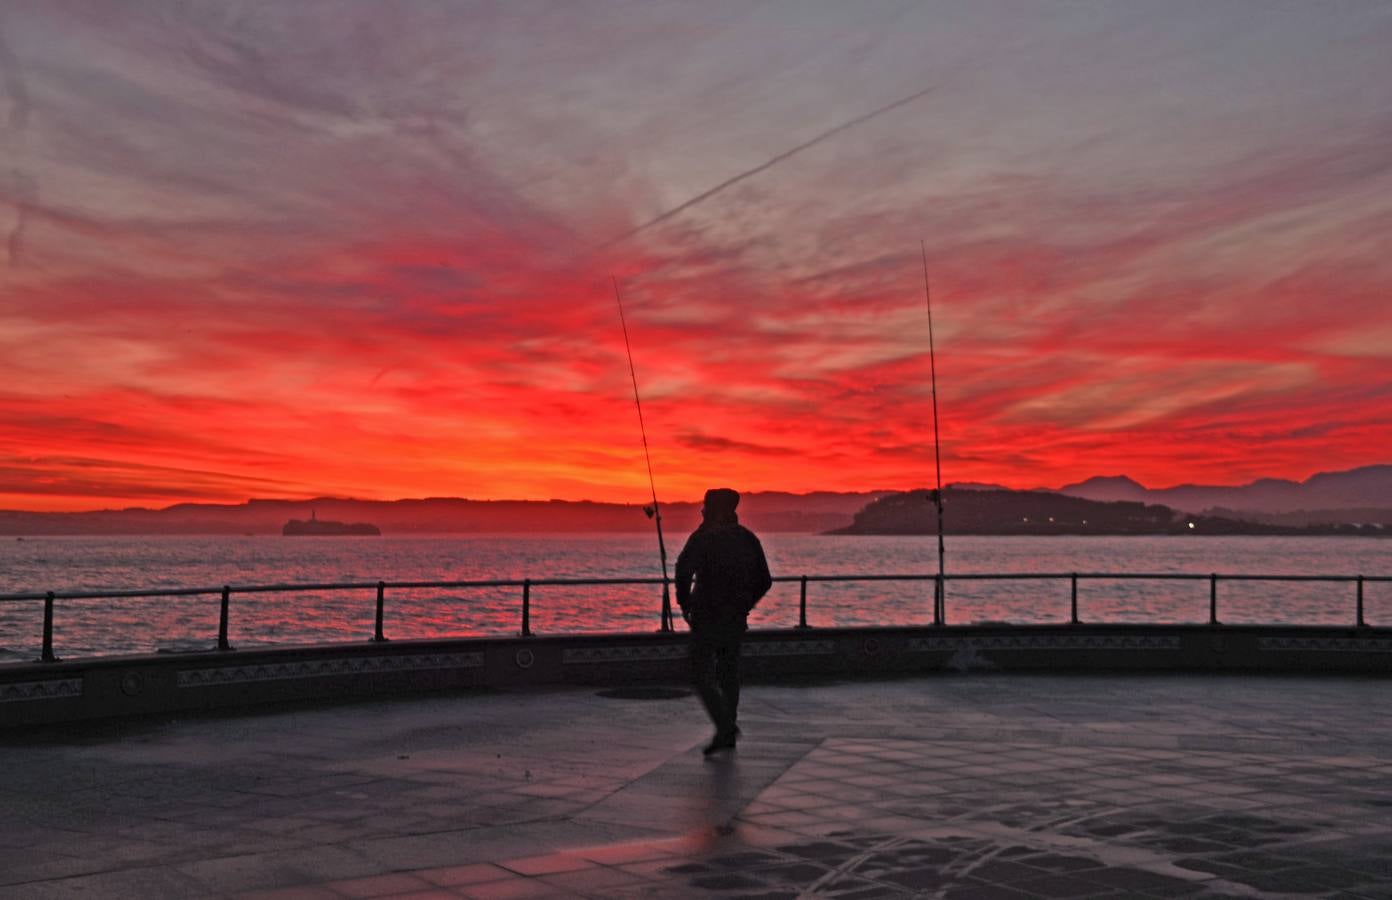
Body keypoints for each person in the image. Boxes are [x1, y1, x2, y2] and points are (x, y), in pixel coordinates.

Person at [675, 487, 772, 755]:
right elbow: (765, 580)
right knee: (729, 673)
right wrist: (745, 604)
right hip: (735, 619)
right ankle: (728, 730)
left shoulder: (704, 538)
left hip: (706, 617)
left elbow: (683, 571)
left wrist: (685, 604)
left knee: (698, 671)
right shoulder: (748, 539)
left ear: (712, 509)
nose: (701, 511)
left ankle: (725, 726)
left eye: (705, 506)